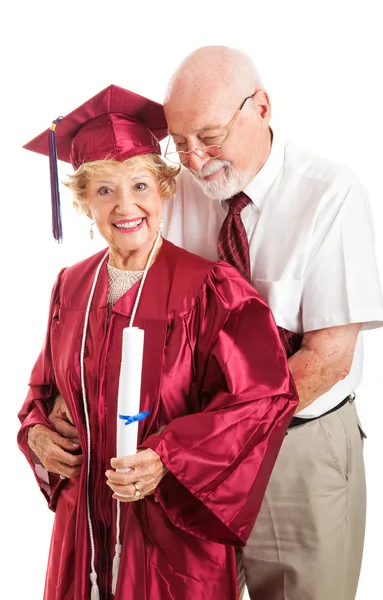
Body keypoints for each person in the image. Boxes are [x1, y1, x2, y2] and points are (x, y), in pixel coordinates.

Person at [17, 84, 298, 600]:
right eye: (104, 191)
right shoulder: (70, 286)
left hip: (172, 535)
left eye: (141, 186)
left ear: (165, 189)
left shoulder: (212, 289)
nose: (127, 206)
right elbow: (43, 394)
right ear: (83, 203)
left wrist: (169, 456)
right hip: (85, 526)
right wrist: (37, 432)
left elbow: (262, 399)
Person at [159, 46, 383, 600]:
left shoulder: (331, 194)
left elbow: (328, 359)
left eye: (209, 137)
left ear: (261, 107)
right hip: (189, 451)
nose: (193, 158)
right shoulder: (176, 191)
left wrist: (222, 436)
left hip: (296, 449)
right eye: (179, 143)